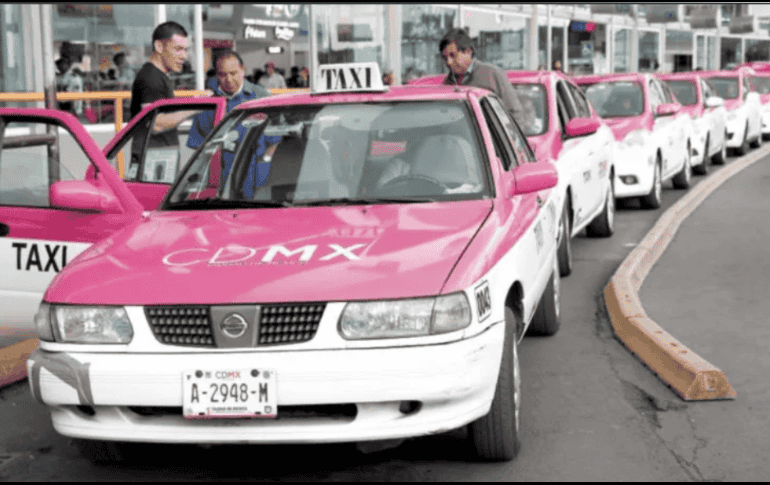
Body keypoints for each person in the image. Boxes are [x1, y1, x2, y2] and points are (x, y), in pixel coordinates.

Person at [187, 49, 278, 196]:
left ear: (243, 70)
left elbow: (276, 137)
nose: (228, 80)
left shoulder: (260, 97)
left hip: (256, 177)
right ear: (217, 75)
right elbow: (198, 150)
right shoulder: (210, 104)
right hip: (220, 181)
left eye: (233, 73)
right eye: (223, 75)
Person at [128, 21, 198, 178]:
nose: (184, 56)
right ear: (159, 47)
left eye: (185, 50)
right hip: (153, 159)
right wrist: (196, 107)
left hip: (159, 157)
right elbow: (156, 124)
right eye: (178, 49)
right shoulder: (151, 78)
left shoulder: (159, 76)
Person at [439, 28, 525, 126]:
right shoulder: (448, 83)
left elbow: (515, 113)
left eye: (452, 55)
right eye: (445, 58)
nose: (448, 62)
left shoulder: (492, 75)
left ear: (468, 52)